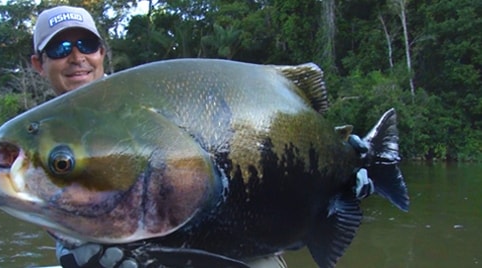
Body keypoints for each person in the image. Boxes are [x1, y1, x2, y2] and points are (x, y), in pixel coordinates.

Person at [30, 5, 291, 268]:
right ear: (39, 64)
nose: (77, 56)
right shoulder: (42, 135)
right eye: (60, 48)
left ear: (101, 52)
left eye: (86, 44)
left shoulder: (143, 102)